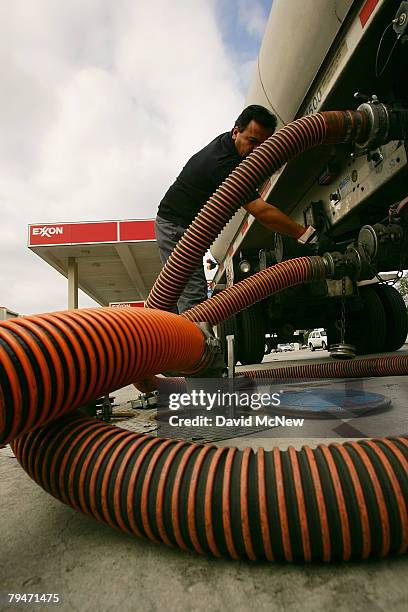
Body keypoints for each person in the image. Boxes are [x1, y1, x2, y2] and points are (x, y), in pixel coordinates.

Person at [155, 104, 325, 314]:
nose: (255, 151)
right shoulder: (223, 164)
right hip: (174, 228)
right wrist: (306, 235)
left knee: (175, 299)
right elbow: (261, 211)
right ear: (236, 131)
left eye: (262, 145)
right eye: (252, 142)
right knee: (194, 302)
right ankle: (193, 344)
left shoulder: (228, 145)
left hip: (181, 224)